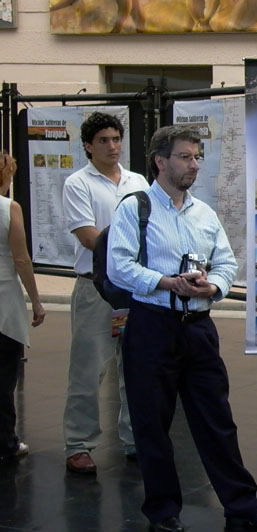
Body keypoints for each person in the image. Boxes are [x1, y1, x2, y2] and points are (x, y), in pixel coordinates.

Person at [108, 126, 257, 532]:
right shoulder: (135, 209)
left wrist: (215, 287)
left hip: (198, 329)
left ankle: (241, 503)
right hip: (152, 326)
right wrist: (167, 282)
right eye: (186, 157)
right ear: (160, 161)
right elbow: (119, 266)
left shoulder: (204, 213)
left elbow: (225, 263)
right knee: (152, 423)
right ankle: (162, 509)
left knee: (217, 419)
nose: (194, 165)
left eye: (196, 157)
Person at [62, 111, 148, 474]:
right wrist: (127, 256)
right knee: (88, 370)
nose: (112, 146)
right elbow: (88, 237)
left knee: (137, 368)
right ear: (88, 145)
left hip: (133, 290)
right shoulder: (78, 183)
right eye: (103, 140)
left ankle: (134, 438)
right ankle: (78, 444)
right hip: (95, 289)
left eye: (116, 139)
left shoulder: (138, 181)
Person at [0, 151, 45, 460]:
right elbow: (20, 259)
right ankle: (6, 441)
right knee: (3, 377)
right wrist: (36, 300)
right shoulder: (9, 209)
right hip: (4, 301)